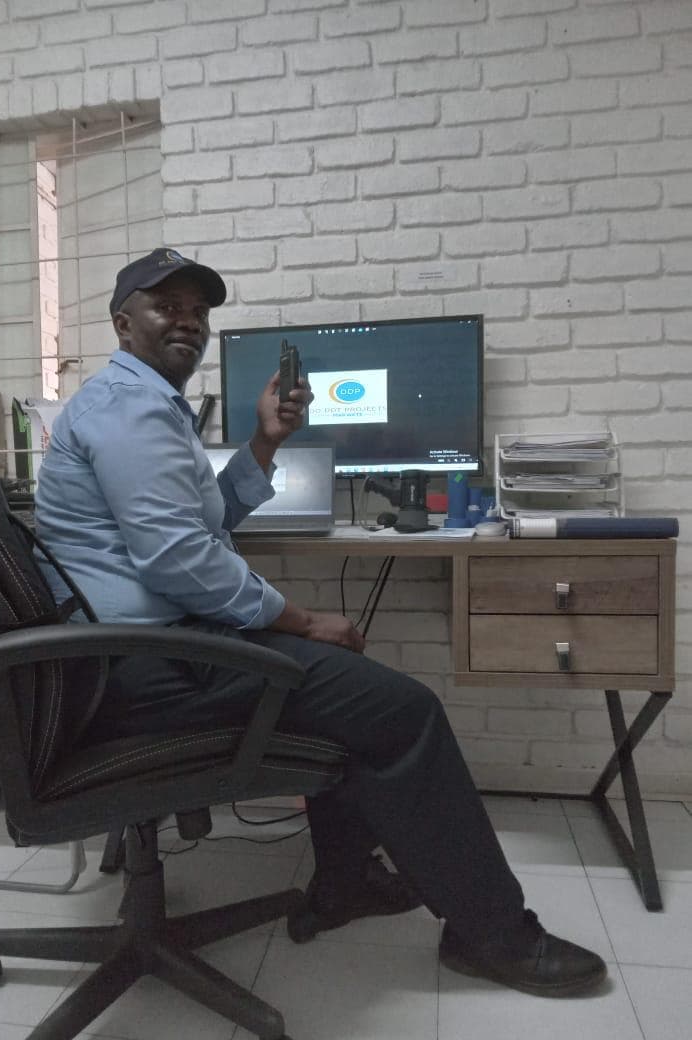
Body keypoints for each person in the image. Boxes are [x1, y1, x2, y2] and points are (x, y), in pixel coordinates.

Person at [34, 247, 606, 999]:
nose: (188, 322)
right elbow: (178, 559)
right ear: (122, 323)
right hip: (144, 665)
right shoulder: (129, 409)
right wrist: (302, 620)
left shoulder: (140, 404)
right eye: (166, 306)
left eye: (199, 312)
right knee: (404, 713)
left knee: (354, 695)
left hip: (144, 651)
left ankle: (344, 884)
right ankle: (494, 935)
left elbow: (202, 522)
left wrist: (267, 440)